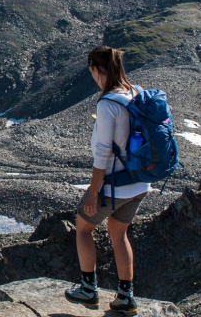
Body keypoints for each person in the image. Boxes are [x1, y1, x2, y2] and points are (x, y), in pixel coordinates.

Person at [64, 45, 148, 315]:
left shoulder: (108, 103)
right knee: (118, 233)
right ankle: (126, 296)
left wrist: (93, 190)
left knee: (83, 228)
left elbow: (103, 151)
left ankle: (88, 290)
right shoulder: (136, 94)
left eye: (91, 70)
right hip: (140, 182)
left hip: (115, 184)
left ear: (96, 69)